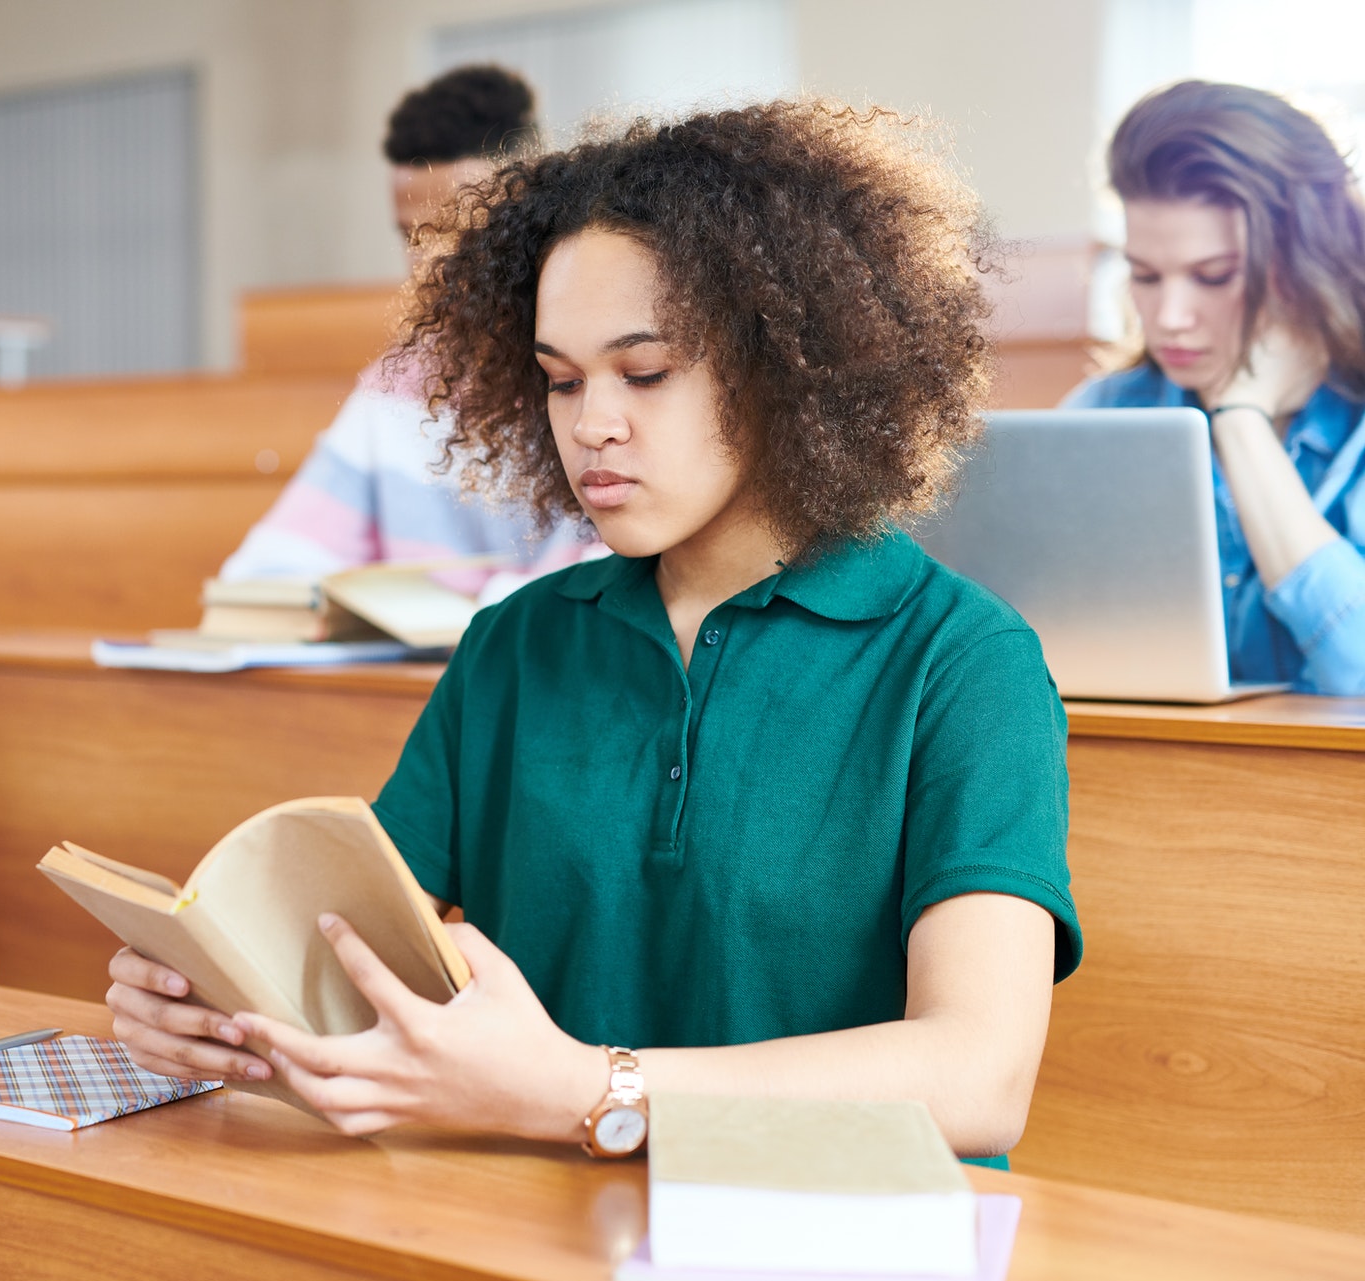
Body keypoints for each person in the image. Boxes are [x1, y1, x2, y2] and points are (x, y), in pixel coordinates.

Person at [108, 103, 1082, 1163]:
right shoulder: (515, 647)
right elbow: (354, 969)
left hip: (824, 1266)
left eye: (644, 372)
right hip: (531, 1241)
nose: (590, 424)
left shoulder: (959, 661)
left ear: (788, 365)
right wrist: (212, 1004)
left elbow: (977, 1081)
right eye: (561, 380)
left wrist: (586, 1088)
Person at [219, 64, 601, 600]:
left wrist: (483, 612)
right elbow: (267, 573)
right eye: (410, 235)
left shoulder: (597, 370)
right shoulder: (398, 386)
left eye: (458, 228)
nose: (428, 265)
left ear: (532, 216)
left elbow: (622, 571)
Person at [1065, 80, 1365, 695]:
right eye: (1145, 275)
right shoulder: (1102, 417)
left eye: (1213, 276)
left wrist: (1239, 420)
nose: (1171, 315)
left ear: (1310, 265)